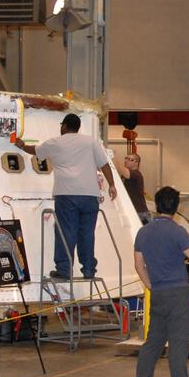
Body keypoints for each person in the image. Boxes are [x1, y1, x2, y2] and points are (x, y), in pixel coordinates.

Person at [13, 113, 117, 279]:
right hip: (90, 196)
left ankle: (64, 269)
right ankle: (89, 270)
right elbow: (104, 164)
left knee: (66, 232)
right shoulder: (91, 142)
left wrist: (21, 146)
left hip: (67, 194)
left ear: (65, 126)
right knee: (87, 233)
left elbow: (36, 150)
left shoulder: (56, 142)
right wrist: (112, 185)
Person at [129, 186, 189, 377]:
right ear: (175, 207)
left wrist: (150, 285)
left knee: (153, 341)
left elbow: (138, 263)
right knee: (179, 341)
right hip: (178, 293)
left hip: (158, 292)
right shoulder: (177, 231)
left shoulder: (143, 232)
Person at [117, 153, 150, 224]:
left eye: (130, 159)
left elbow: (122, 170)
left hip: (140, 212)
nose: (126, 161)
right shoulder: (125, 176)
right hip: (133, 211)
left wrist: (111, 158)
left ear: (136, 163)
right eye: (126, 158)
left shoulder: (136, 174)